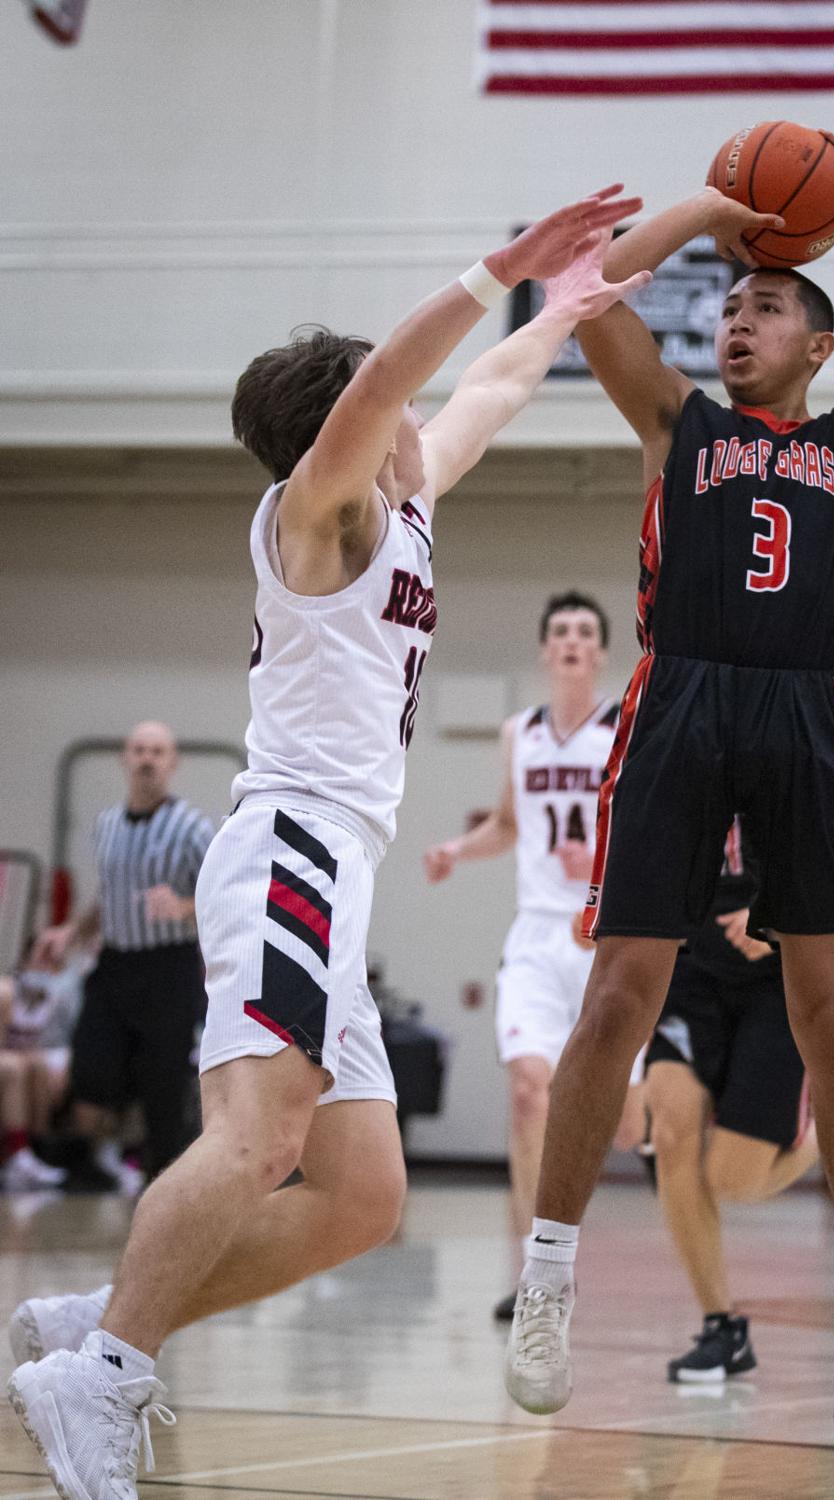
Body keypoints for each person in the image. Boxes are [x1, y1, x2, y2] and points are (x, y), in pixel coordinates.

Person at [7, 188, 650, 1499]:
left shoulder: (407, 504)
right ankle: (103, 1375)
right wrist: (494, 267)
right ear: (347, 434)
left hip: (336, 872)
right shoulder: (318, 517)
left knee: (360, 1198)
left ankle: (102, 1324)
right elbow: (391, 393)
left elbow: (490, 385)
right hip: (291, 849)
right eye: (389, 403)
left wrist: (562, 311)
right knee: (254, 1138)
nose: (420, 413)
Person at [504, 135, 834, 1446]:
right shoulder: (675, 423)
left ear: (815, 346)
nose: (739, 318)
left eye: (767, 307)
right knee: (616, 999)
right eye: (732, 305)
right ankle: (545, 1283)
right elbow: (582, 283)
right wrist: (713, 212)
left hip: (814, 707)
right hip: (680, 699)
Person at [423, 592, 644, 1320]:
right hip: (538, 938)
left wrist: (603, 862)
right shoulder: (519, 732)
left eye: (585, 632)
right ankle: (536, 1276)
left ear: (602, 653)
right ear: (546, 652)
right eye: (561, 632)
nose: (573, 642)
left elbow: (652, 827)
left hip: (608, 936)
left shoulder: (626, 727)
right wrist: (460, 847)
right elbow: (511, 824)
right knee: (528, 1094)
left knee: (631, 1125)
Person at [649, 765, 834, 1384]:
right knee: (671, 1126)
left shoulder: (818, 723)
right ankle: (721, 1326)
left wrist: (779, 919)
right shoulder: (689, 719)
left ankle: (819, 1135)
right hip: (692, 972)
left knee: (731, 1178)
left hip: (779, 980)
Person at [32, 722, 214, 1186]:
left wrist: (183, 906)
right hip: (115, 963)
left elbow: (222, 892)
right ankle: (86, 1162)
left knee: (163, 1080)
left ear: (172, 763)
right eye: (139, 750)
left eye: (157, 751)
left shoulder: (192, 827)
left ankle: (164, 1175)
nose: (147, 759)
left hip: (167, 966)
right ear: (124, 759)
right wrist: (69, 933)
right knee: (91, 1062)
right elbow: (107, 896)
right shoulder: (107, 823)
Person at [0, 958, 80, 1191]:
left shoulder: (50, 992)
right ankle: (19, 1154)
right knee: (16, 1067)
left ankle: (33, 1153)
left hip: (31, 1058)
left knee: (37, 1064)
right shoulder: (6, 991)